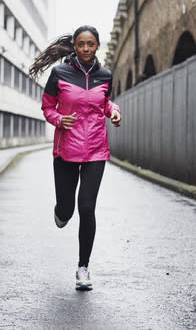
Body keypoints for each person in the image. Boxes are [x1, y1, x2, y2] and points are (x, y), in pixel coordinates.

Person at [29, 25, 121, 291]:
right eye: (81, 44)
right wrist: (59, 119)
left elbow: (104, 103)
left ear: (97, 46)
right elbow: (47, 106)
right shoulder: (60, 73)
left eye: (90, 44)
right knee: (67, 210)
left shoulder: (105, 75)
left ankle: (83, 268)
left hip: (95, 150)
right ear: (75, 46)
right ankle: (60, 212)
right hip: (66, 150)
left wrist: (113, 111)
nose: (85, 49)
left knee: (87, 208)